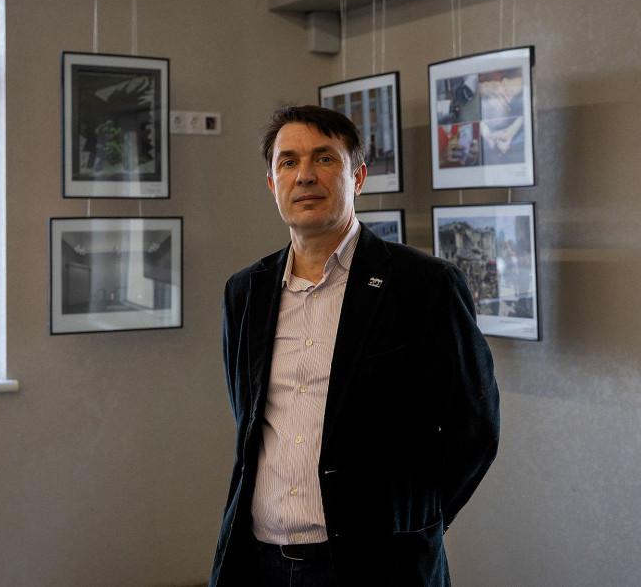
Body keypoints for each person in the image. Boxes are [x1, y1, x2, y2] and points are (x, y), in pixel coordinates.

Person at [210, 105, 499, 587]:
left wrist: (414, 524)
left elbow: (475, 429)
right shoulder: (245, 292)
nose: (304, 175)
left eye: (324, 159)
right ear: (272, 183)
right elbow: (250, 421)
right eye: (288, 162)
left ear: (358, 177)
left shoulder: (424, 285)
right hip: (259, 561)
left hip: (378, 566)